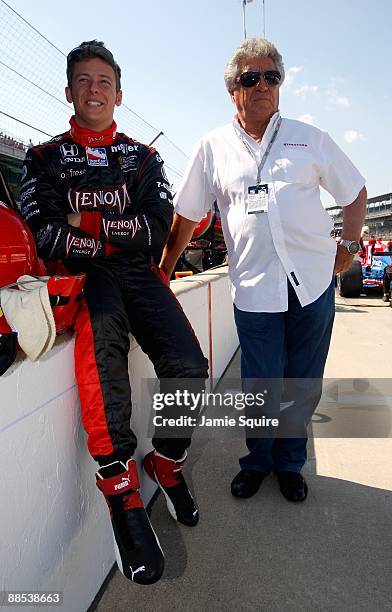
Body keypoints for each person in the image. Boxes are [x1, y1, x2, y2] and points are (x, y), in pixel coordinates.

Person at [20, 40, 208, 585]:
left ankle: (166, 463)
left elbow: (154, 232)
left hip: (138, 274)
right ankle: (119, 489)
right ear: (69, 91)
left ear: (119, 93)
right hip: (87, 279)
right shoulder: (42, 158)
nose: (94, 89)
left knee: (188, 365)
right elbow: (47, 235)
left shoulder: (143, 158)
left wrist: (89, 222)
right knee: (103, 352)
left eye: (103, 81)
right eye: (83, 80)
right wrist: (107, 238)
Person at [160, 38, 366, 503]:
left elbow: (354, 192)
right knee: (262, 384)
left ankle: (290, 464)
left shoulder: (308, 137)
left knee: (301, 381)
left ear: (280, 84)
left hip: (311, 284)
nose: (262, 86)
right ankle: (256, 462)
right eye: (250, 78)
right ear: (232, 88)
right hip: (254, 290)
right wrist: (164, 270)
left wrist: (349, 248)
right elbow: (188, 215)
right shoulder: (212, 147)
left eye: (271, 76)